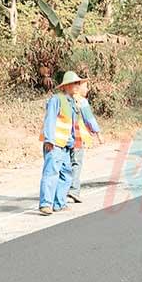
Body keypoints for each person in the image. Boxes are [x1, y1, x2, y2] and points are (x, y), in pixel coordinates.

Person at [38, 71, 86, 216]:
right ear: (65, 86)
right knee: (51, 172)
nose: (77, 85)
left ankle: (59, 203)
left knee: (66, 173)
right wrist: (49, 139)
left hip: (65, 145)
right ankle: (46, 204)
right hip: (54, 144)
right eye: (74, 83)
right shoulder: (56, 100)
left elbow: (71, 125)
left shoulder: (73, 103)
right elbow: (50, 120)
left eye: (78, 83)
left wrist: (73, 142)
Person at [67, 79, 104, 203]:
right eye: (86, 87)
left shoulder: (66, 98)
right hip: (77, 136)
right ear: (78, 88)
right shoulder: (81, 101)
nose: (87, 89)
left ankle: (63, 189)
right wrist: (99, 134)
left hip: (65, 137)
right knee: (76, 163)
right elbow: (89, 119)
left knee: (67, 163)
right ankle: (74, 190)